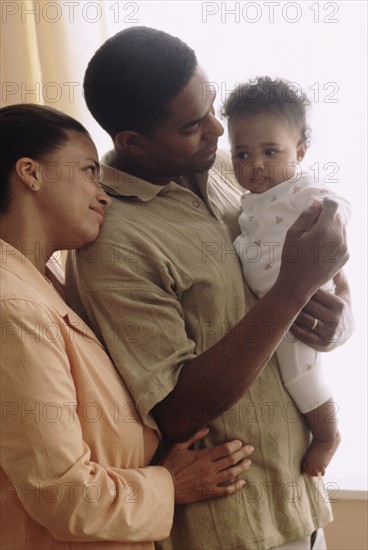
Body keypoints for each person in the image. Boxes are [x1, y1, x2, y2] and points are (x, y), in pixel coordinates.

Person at [65, 27, 352, 550]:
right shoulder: (112, 239)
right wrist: (293, 289)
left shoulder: (234, 172)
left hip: (301, 500)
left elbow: (314, 270)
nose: (220, 130)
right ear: (132, 142)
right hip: (233, 525)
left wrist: (337, 312)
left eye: (213, 104)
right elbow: (175, 409)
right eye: (194, 125)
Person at [0, 103, 255, 550]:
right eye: (86, 171)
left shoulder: (46, 282)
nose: (102, 195)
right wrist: (169, 486)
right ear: (30, 173)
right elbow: (65, 497)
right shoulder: (14, 309)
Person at [221, 76, 352, 478]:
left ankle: (328, 435)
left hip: (305, 303)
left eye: (270, 151)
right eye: (242, 153)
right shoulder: (248, 199)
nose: (254, 164)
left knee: (301, 374)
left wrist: (328, 218)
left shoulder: (298, 189)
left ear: (299, 151)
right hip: (277, 303)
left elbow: (338, 206)